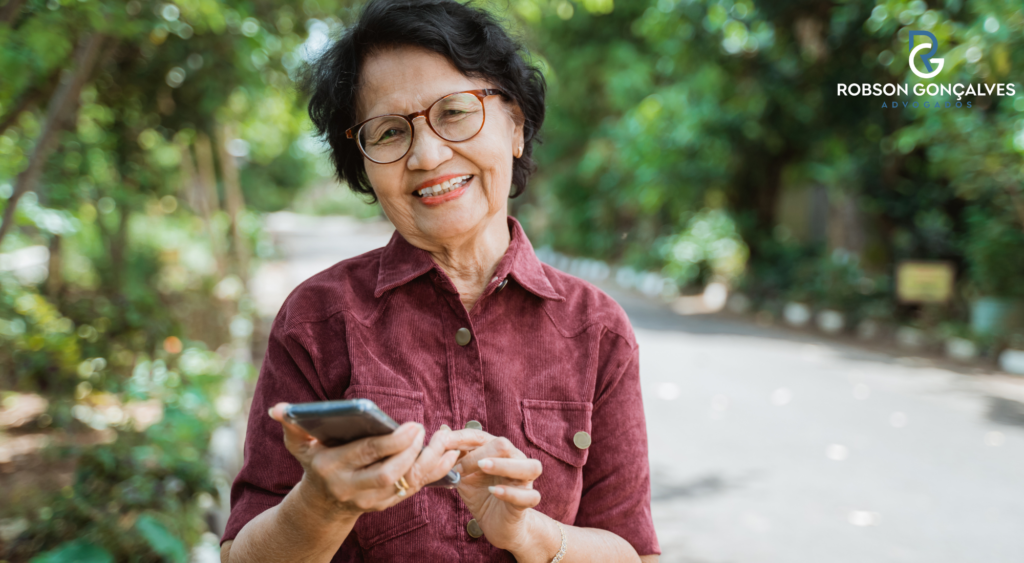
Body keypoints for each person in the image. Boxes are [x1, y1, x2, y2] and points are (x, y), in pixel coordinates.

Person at [220, 1, 660, 561]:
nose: (428, 155)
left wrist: (531, 534)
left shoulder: (597, 329)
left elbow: (634, 551)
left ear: (517, 127)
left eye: (454, 112)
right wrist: (323, 504)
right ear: (363, 165)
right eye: (389, 132)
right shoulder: (317, 320)